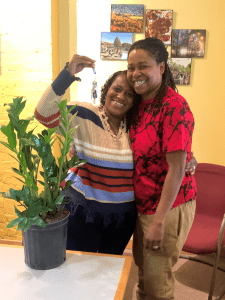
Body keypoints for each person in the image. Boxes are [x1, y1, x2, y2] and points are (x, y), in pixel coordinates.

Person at [34, 54, 197, 256]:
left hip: (121, 218)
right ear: (107, 90)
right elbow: (43, 112)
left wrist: (189, 157)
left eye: (129, 94)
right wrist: (69, 73)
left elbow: (167, 149)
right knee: (76, 267)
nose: (121, 96)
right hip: (82, 211)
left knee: (108, 271)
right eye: (116, 89)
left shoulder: (139, 125)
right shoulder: (83, 115)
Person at [127, 37, 197, 300]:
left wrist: (158, 222)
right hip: (142, 205)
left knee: (158, 287)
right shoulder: (139, 105)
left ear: (162, 67)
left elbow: (176, 170)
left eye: (143, 66)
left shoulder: (174, 106)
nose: (135, 74)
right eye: (131, 67)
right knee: (145, 275)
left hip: (166, 207)